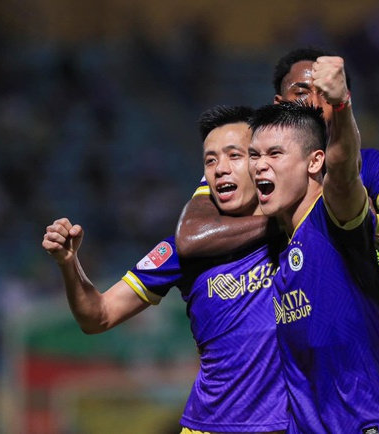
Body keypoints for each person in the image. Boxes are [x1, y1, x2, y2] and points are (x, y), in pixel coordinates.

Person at [42, 105, 288, 434]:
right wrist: (69, 263)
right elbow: (97, 316)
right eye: (210, 160)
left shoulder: (302, 234)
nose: (220, 169)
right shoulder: (182, 251)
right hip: (209, 426)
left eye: (234, 156)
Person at [247, 56, 379, 432]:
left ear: (314, 162)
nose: (260, 165)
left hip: (370, 425)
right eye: (254, 156)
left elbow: (342, 170)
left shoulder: (333, 218)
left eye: (275, 154)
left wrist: (340, 106)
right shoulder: (276, 248)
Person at [175, 47, 379, 261]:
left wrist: (370, 223)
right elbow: (190, 237)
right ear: (279, 103)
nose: (314, 103)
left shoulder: (368, 163)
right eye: (301, 93)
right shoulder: (250, 161)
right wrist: (293, 222)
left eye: (325, 94)